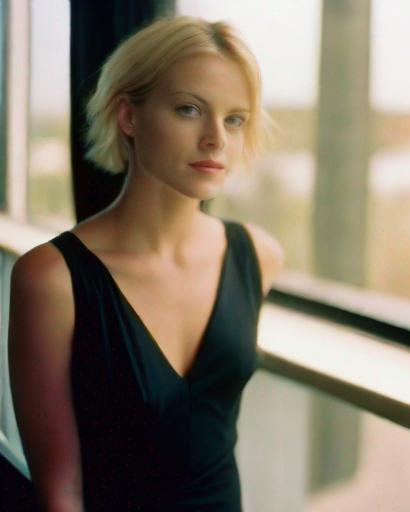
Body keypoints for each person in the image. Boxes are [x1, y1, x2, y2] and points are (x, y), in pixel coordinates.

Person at [8, 15, 284, 511]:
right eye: (188, 109)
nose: (216, 139)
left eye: (235, 119)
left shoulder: (258, 255)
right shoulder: (51, 279)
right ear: (128, 116)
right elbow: (60, 493)